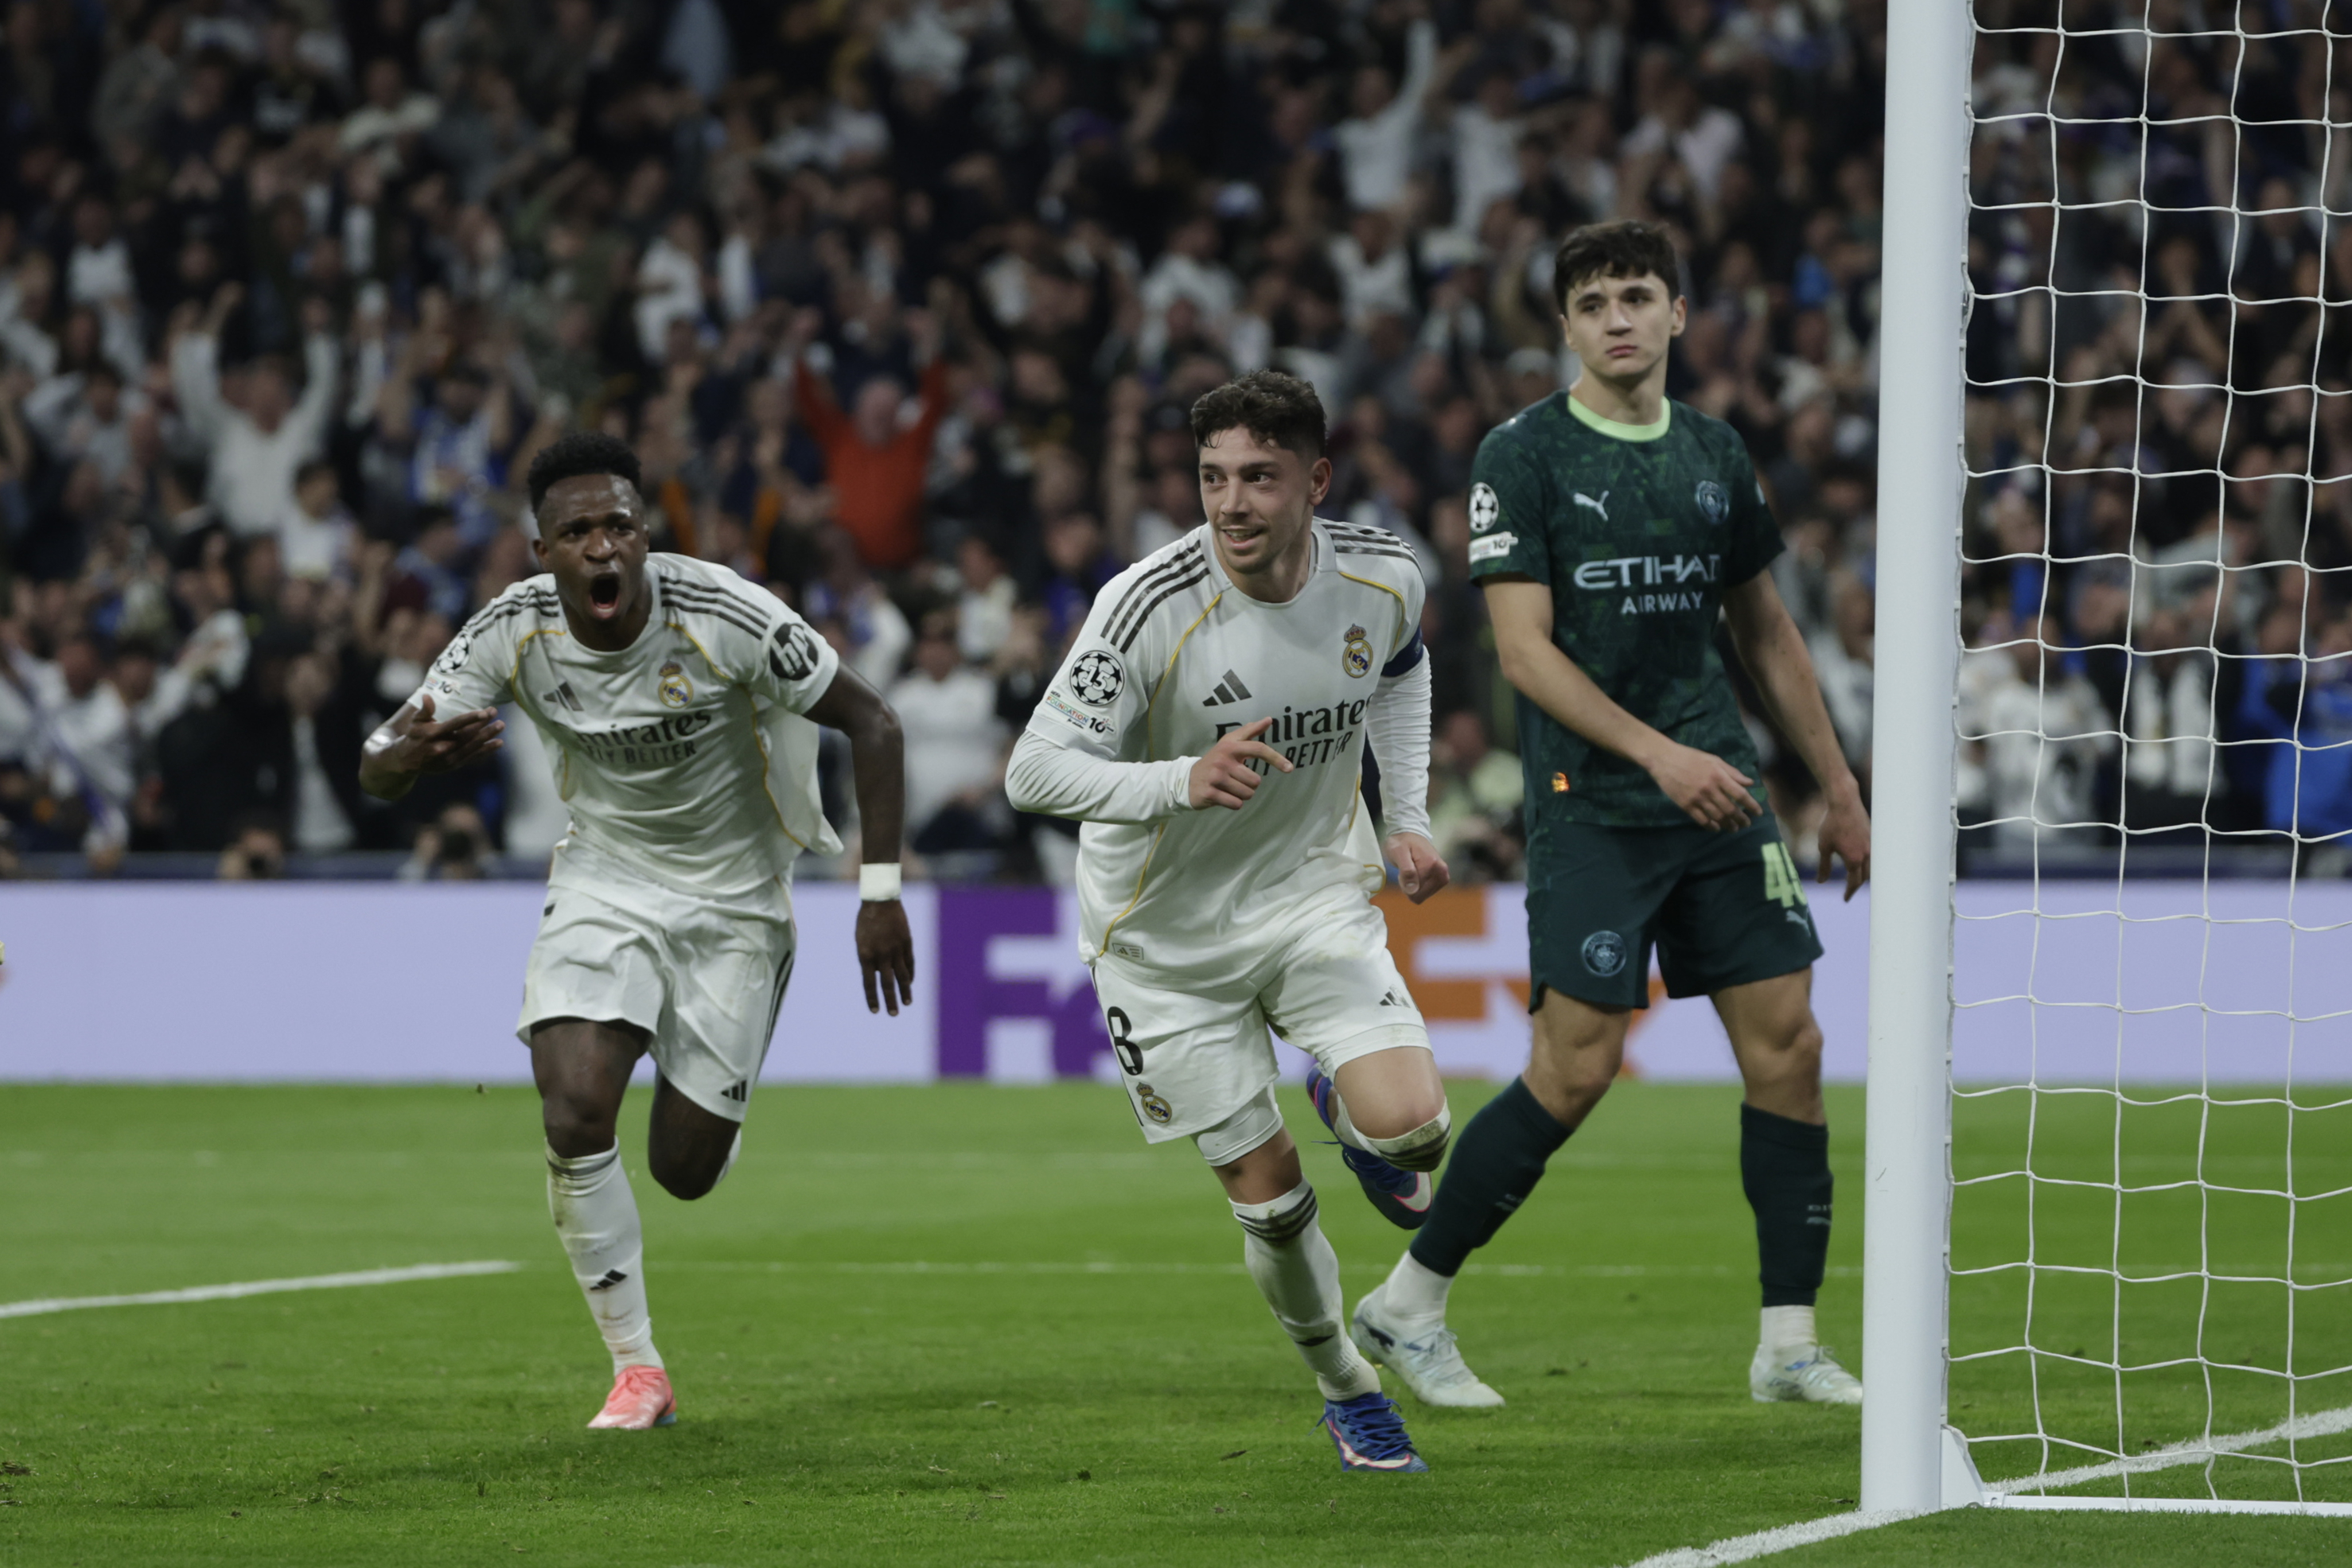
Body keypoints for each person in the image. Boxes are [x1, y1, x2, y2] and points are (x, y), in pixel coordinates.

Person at [1351, 220, 1872, 1410]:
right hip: (1596, 802)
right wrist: (1659, 754)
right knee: (1574, 1068)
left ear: (1679, 314)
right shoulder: (1521, 455)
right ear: (1568, 327)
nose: (1618, 318)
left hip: (1722, 799)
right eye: (1593, 303)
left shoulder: (1715, 452)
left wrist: (1840, 787)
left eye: (1638, 295)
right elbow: (1524, 655)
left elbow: (1769, 631)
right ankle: (1409, 1300)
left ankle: (1789, 1342)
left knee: (1789, 1046)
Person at [357, 430, 916, 1431]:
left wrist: (877, 893)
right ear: (543, 553)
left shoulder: (725, 614)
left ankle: (709, 1099)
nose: (603, 547)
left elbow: (872, 721)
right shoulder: (508, 630)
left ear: (646, 534)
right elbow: (380, 758)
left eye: (620, 524)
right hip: (605, 880)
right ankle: (636, 1369)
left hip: (738, 899)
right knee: (573, 1111)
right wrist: (409, 762)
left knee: (683, 1172)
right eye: (577, 532)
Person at [1003, 370, 1453, 1475]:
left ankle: (1344, 1105)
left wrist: (1408, 812)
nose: (1231, 503)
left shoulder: (1385, 572)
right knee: (1276, 1207)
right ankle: (1346, 1382)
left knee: (1414, 1130)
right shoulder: (1146, 603)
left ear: (1316, 479)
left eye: (1258, 476)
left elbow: (1400, 670)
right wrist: (1178, 779)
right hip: (1162, 941)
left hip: (1306, 887)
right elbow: (1032, 769)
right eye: (1212, 477)